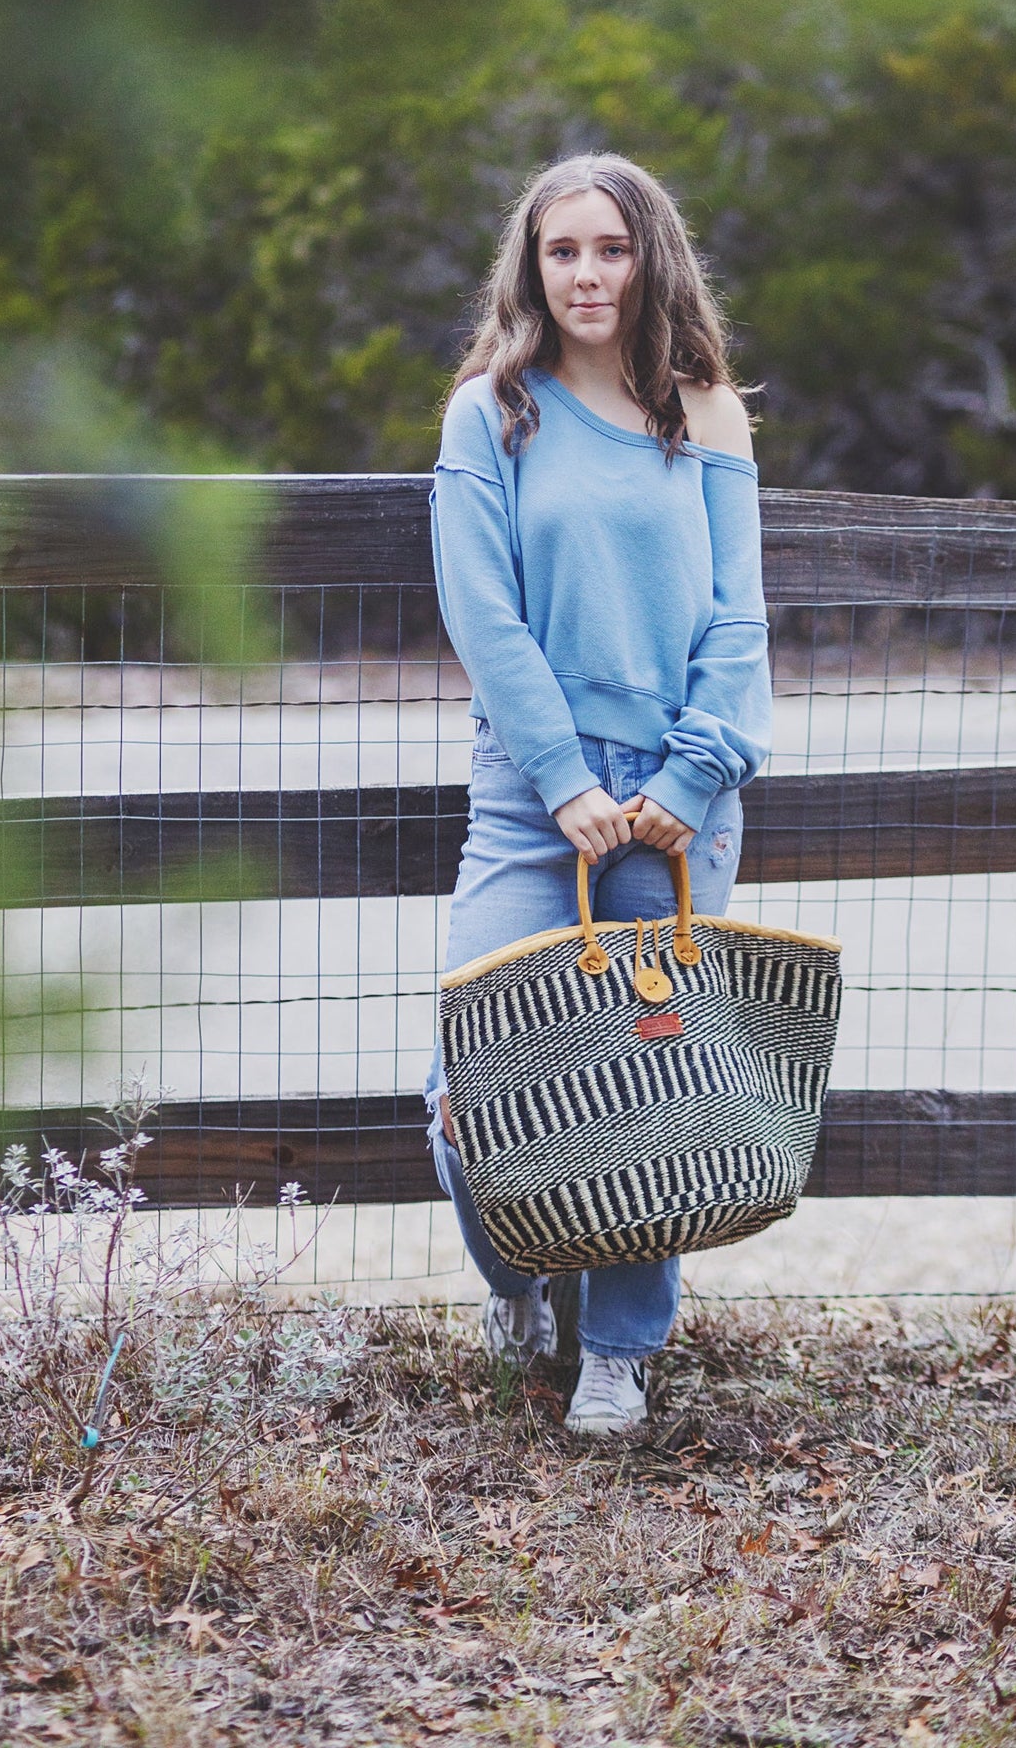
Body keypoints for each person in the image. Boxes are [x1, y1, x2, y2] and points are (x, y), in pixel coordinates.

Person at [425, 152, 772, 1437]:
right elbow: (483, 611)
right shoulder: (492, 412)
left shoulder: (706, 410)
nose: (585, 272)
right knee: (471, 1078)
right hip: (534, 801)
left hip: (679, 804)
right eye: (562, 250)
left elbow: (738, 617)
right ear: (531, 264)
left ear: (648, 260)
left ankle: (618, 1351)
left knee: (650, 1092)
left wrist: (692, 771)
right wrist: (563, 777)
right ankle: (518, 1283)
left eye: (610, 249)